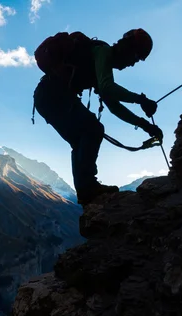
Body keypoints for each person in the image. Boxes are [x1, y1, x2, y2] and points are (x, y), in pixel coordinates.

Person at [33, 29, 164, 205]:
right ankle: (88, 187)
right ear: (126, 48)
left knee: (80, 139)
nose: (132, 64)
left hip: (47, 98)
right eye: (135, 57)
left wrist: (144, 125)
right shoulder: (102, 52)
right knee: (92, 129)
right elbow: (108, 88)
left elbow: (113, 106)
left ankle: (85, 191)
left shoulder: (98, 63)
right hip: (54, 96)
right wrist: (140, 100)